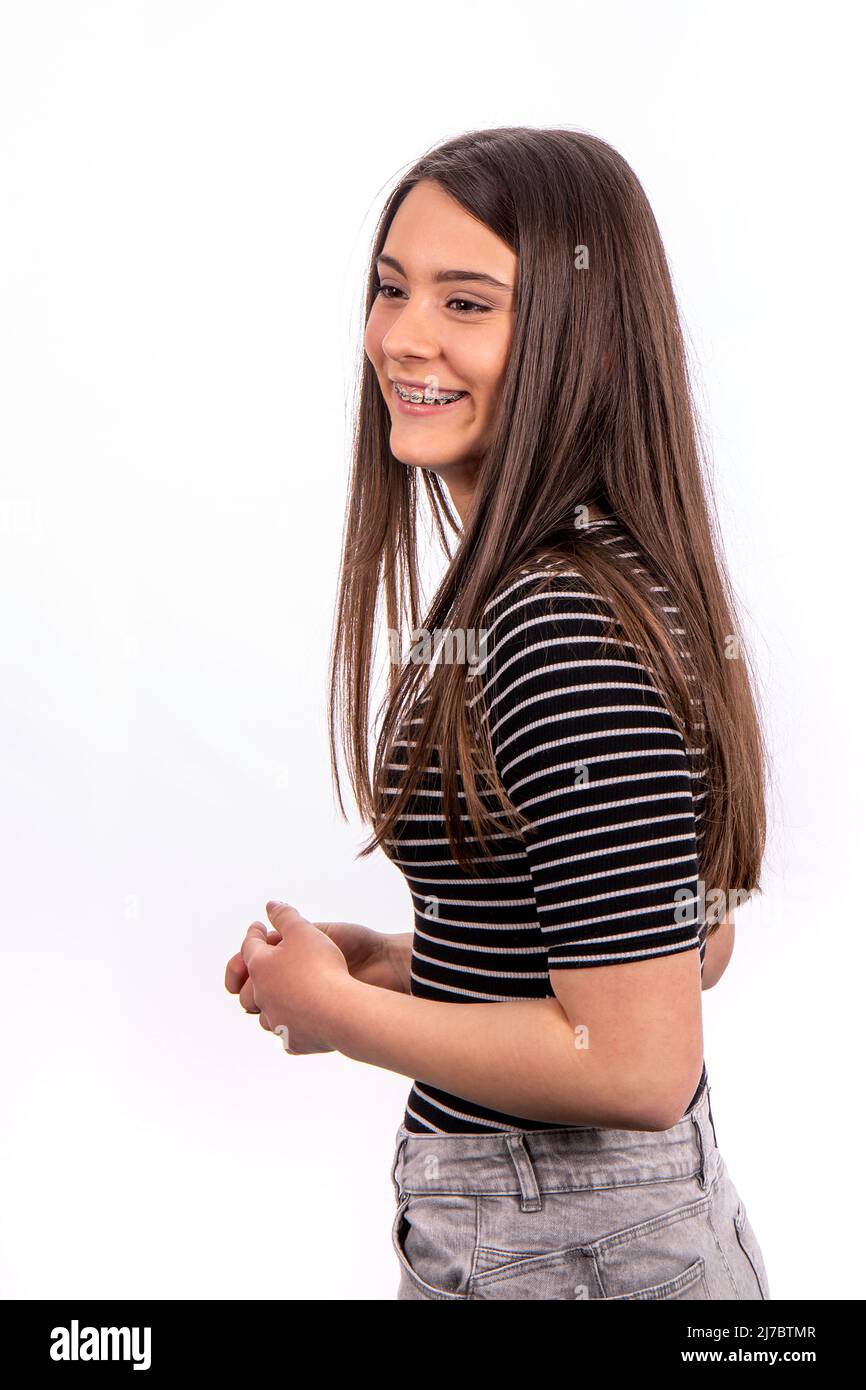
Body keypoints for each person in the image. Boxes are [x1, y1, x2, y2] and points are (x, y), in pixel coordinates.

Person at [225, 127, 771, 1301]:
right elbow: (682, 941)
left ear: (578, 340)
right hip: (595, 1237)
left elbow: (637, 1057)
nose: (402, 338)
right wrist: (406, 964)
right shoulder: (586, 579)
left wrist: (338, 1015)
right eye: (391, 288)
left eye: (465, 302)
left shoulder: (551, 620)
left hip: (570, 1250)